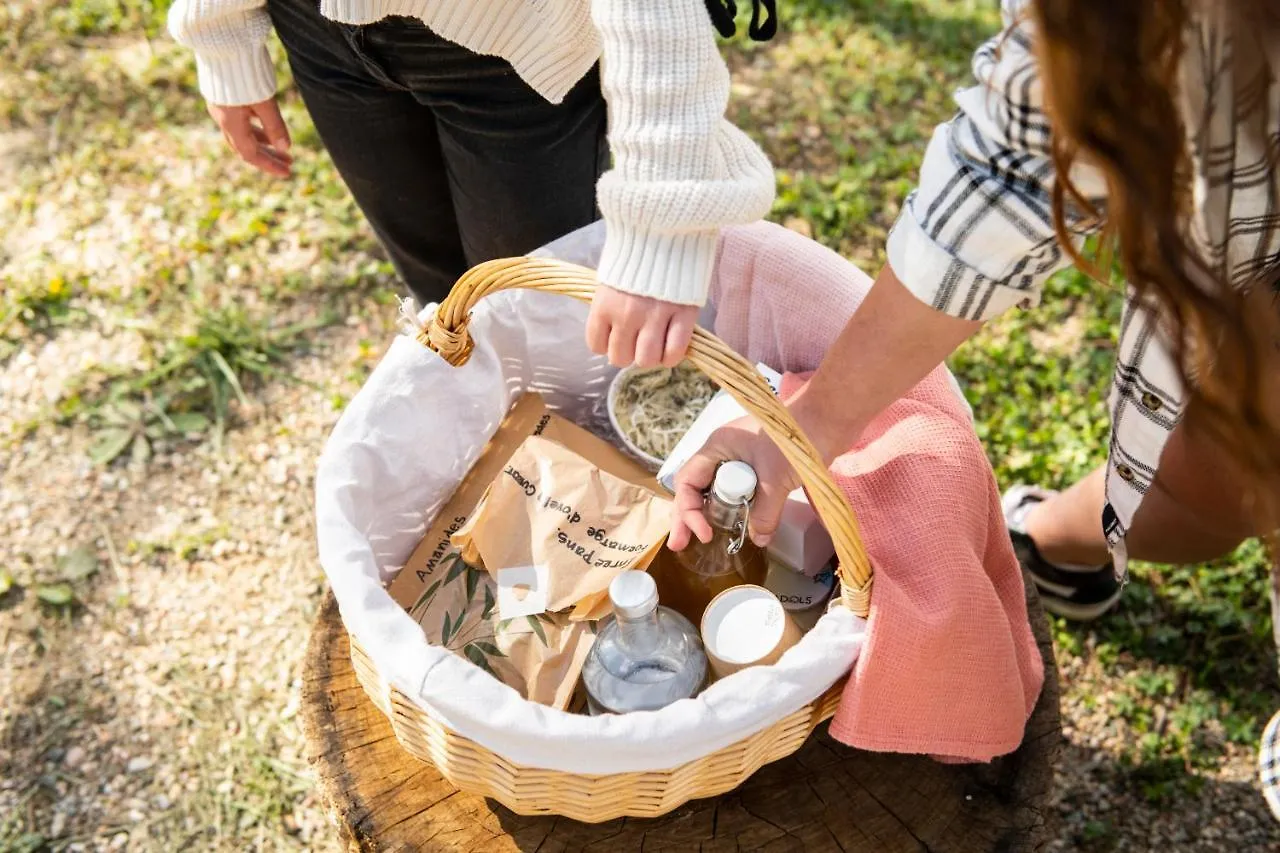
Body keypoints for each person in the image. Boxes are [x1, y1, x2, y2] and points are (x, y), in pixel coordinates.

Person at [671, 0, 1280, 623]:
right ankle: (1053, 546)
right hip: (1246, 294)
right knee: (1197, 480)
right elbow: (1012, 174)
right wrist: (807, 426)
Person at [167, 0, 776, 362]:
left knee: (536, 323)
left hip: (509, 50)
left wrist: (663, 219)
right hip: (313, 25)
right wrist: (218, 30)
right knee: (440, 295)